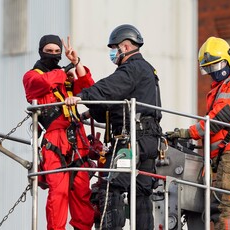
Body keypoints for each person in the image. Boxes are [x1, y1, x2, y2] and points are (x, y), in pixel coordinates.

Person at [65, 24, 163, 230]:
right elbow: (119, 103)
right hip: (148, 141)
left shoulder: (132, 69)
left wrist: (83, 96)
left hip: (130, 144)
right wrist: (90, 112)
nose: (113, 53)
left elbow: (109, 88)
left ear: (125, 47)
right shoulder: (146, 70)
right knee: (142, 191)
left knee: (112, 185)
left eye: (114, 48)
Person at [166, 36, 230, 230]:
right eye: (209, 68)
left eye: (216, 66)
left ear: (229, 60)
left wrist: (187, 133)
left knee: (226, 210)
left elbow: (219, 118)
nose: (213, 72)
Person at [22, 34, 95, 230]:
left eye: (57, 52)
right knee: (58, 195)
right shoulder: (32, 76)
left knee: (82, 193)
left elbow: (90, 89)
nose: (54, 55)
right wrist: (65, 71)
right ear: (41, 52)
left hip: (77, 139)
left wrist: (76, 63)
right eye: (49, 52)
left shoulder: (66, 77)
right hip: (55, 141)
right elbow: (43, 84)